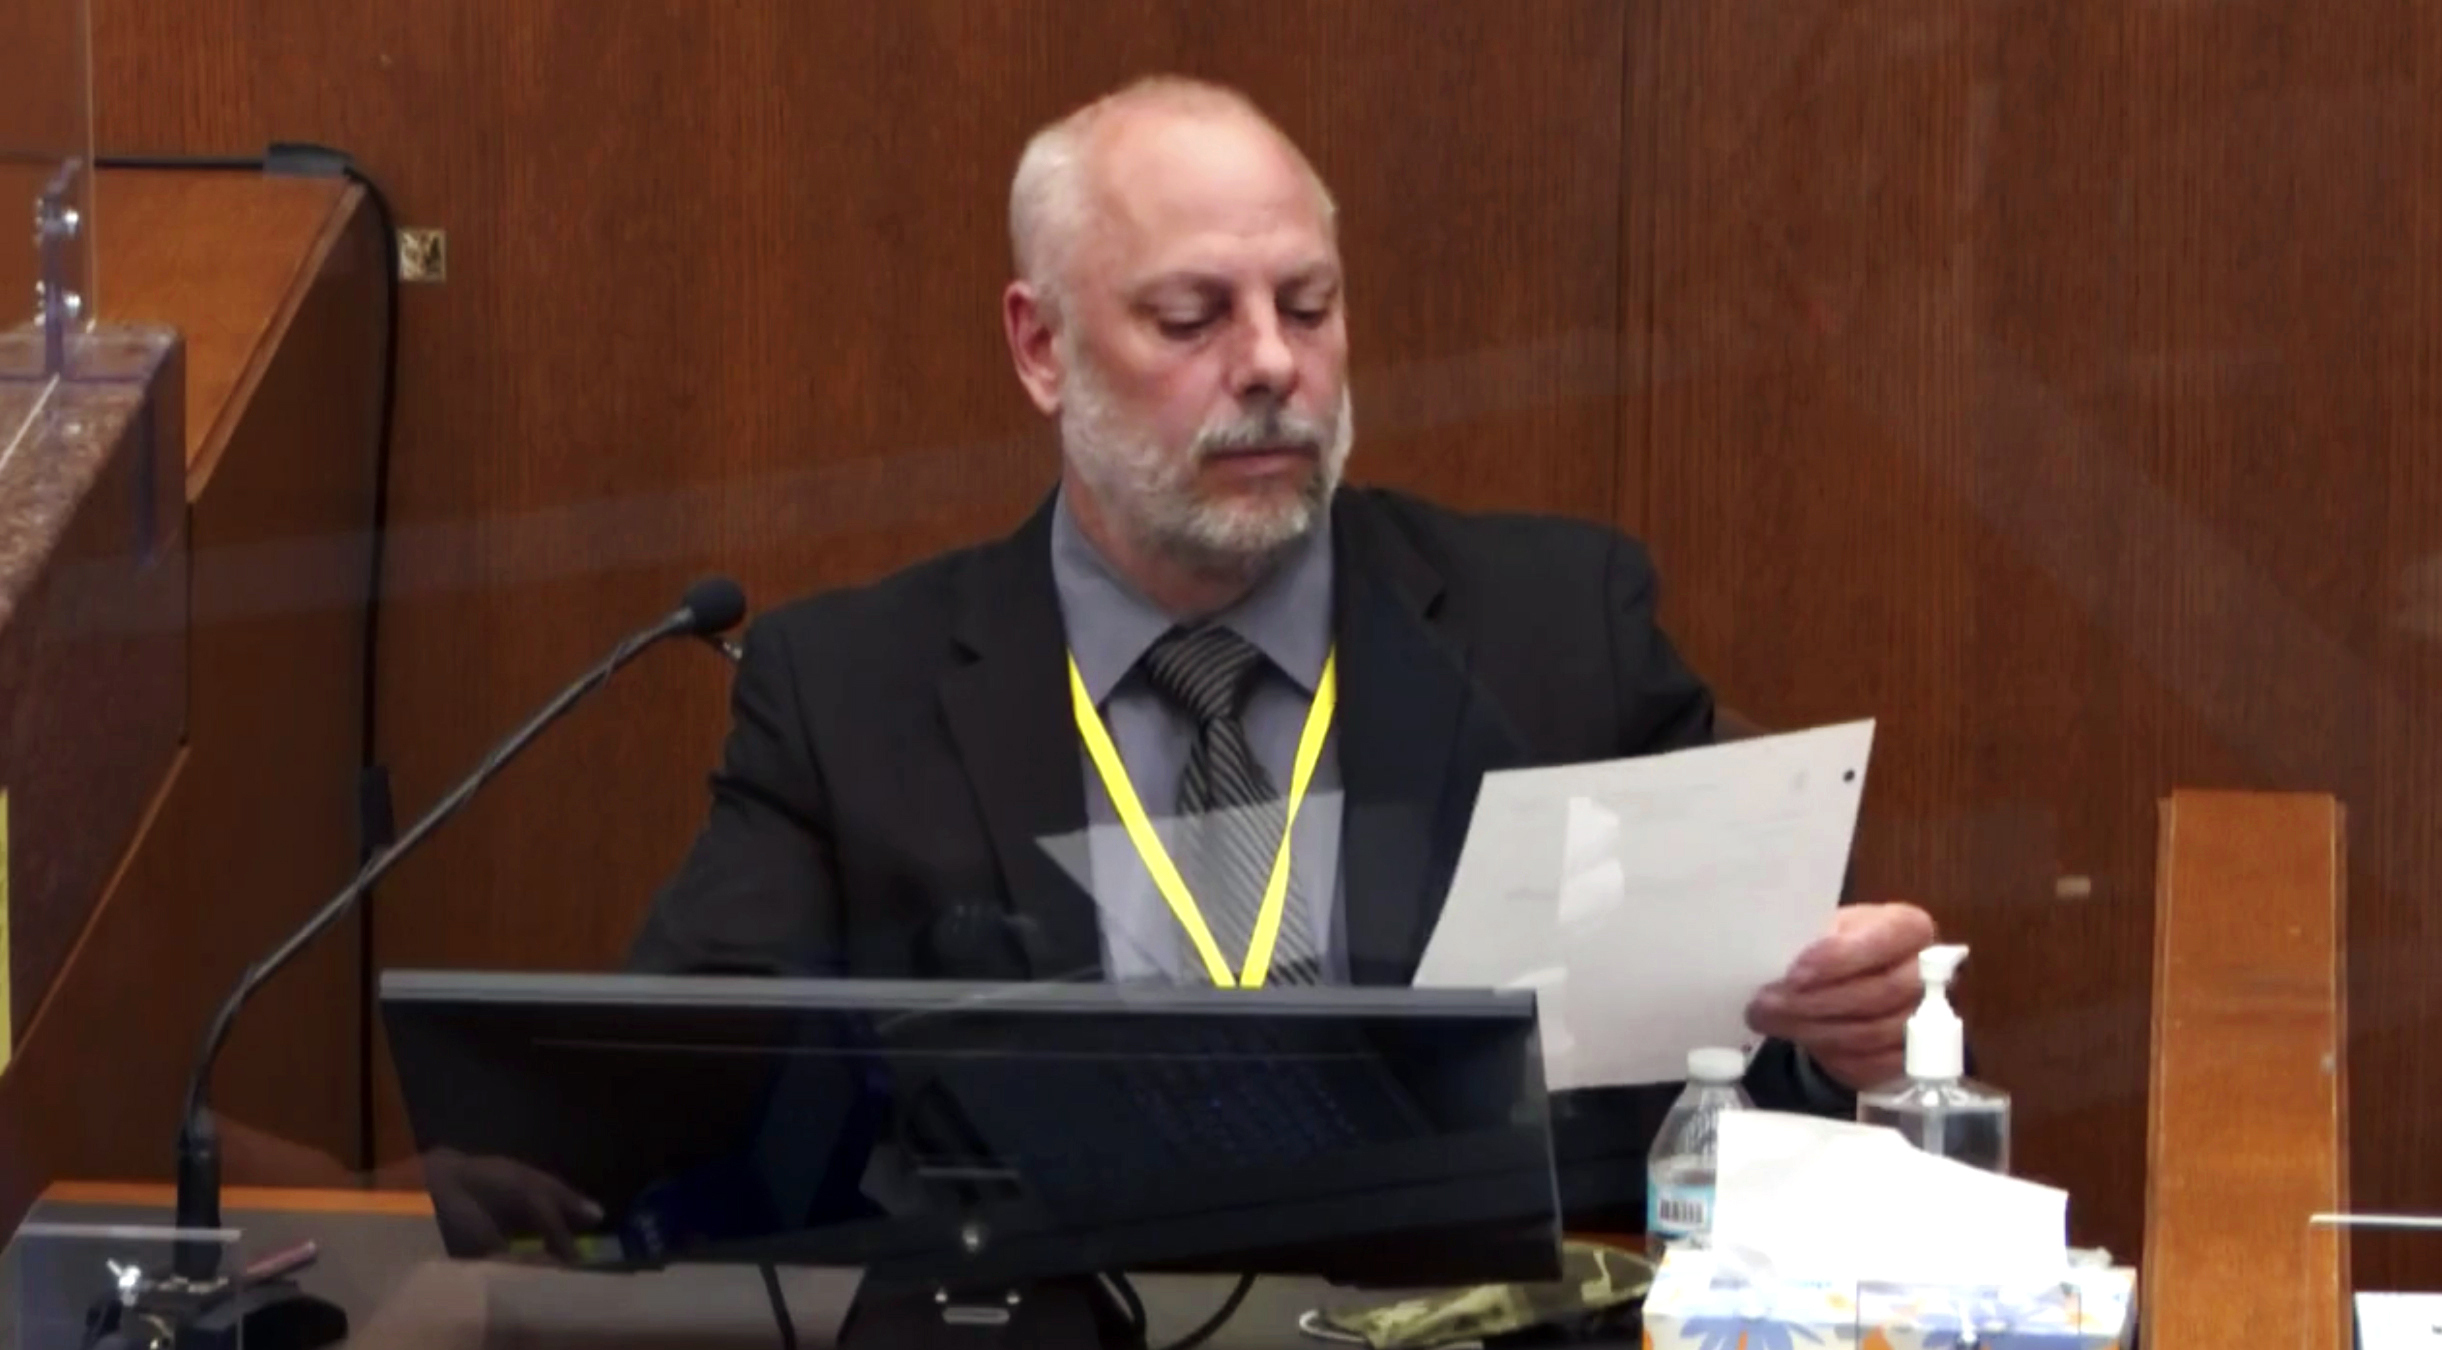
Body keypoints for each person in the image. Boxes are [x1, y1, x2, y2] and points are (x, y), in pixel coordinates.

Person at [629, 76, 1937, 1112]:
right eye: (1192, 319)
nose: (1269, 365)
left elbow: (1772, 1055)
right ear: (1042, 348)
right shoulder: (848, 694)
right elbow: (678, 1094)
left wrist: (1859, 1039)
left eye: (1306, 308)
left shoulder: (1557, 633)